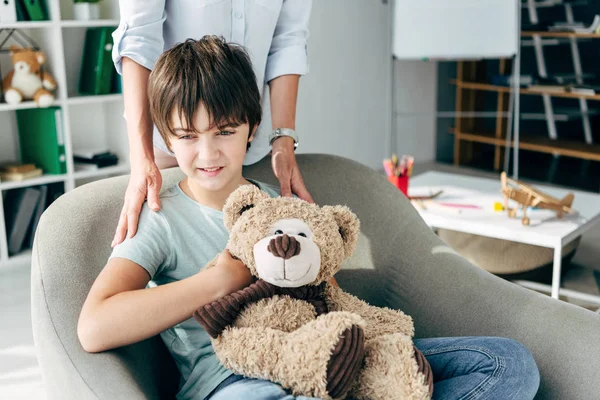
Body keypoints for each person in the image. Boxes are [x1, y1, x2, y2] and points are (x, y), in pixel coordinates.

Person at [79, 37, 540, 400]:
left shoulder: (275, 203)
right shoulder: (161, 216)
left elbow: (325, 295)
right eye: (187, 136)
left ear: (252, 128)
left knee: (509, 364)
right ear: (165, 136)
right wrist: (218, 282)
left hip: (330, 359)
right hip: (236, 382)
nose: (207, 153)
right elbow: (94, 327)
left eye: (224, 132)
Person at [110, 0, 314, 248]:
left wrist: (283, 140)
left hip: (253, 139)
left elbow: (288, 41)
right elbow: (137, 38)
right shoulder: (158, 222)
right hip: (172, 143)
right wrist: (142, 157)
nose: (209, 154)